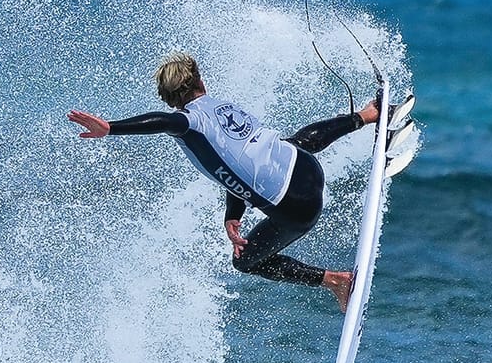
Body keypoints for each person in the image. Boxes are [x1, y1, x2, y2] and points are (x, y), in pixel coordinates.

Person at [67, 53, 380, 309]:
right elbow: (240, 161)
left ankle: (335, 281)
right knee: (288, 142)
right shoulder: (222, 105)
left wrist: (110, 128)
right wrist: (234, 214)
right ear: (201, 81)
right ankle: (368, 114)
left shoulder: (190, 121)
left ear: (170, 99)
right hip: (307, 167)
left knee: (245, 263)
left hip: (298, 207)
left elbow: (166, 122)